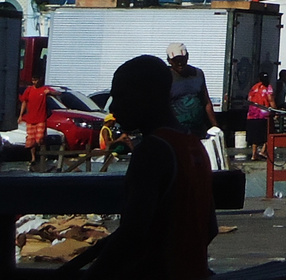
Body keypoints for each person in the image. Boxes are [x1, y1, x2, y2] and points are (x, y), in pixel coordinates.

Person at [76, 54, 216, 279]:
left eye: (121, 97)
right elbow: (210, 228)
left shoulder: (152, 151)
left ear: (147, 95)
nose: (116, 108)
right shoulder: (193, 145)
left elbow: (133, 235)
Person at [166, 44, 215, 138]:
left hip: (197, 130)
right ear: (169, 61)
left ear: (187, 57)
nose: (180, 63)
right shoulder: (166, 77)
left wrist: (215, 126)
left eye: (182, 59)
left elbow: (206, 102)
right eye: (176, 61)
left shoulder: (197, 74)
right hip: (176, 130)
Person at [20, 70, 52, 169]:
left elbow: (58, 93)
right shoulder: (29, 90)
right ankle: (33, 158)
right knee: (31, 141)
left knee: (40, 138)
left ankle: (43, 154)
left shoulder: (44, 89)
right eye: (33, 80)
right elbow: (24, 102)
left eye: (36, 80)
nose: (34, 82)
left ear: (40, 80)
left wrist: (50, 92)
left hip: (41, 118)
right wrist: (21, 115)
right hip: (30, 119)